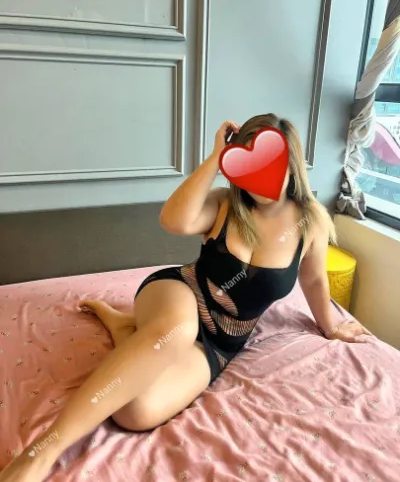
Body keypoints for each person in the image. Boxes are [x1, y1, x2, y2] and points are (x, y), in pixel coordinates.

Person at [0, 113, 373, 482]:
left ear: (291, 164)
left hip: (221, 341)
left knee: (136, 412)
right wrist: (215, 158)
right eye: (249, 165)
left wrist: (331, 325)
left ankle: (123, 326)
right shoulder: (225, 203)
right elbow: (173, 221)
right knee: (176, 330)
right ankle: (42, 451)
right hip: (180, 293)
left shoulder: (310, 221)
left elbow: (314, 281)